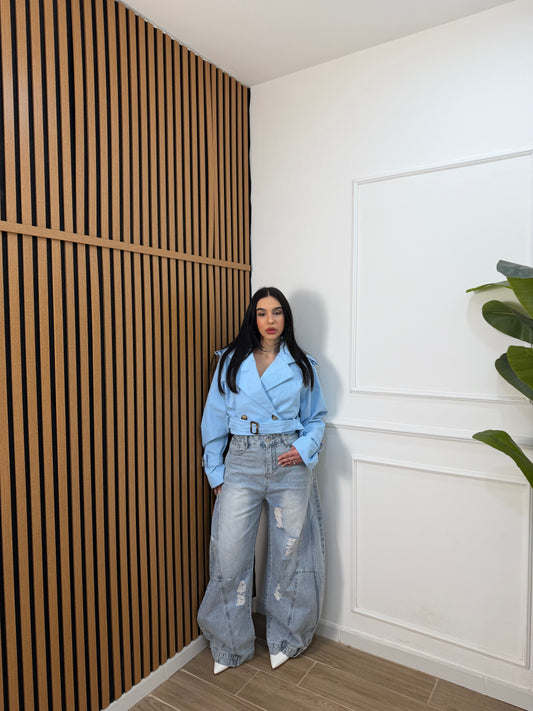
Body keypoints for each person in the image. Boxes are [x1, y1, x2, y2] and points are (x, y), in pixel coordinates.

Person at [197, 286, 327, 674]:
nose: (270, 320)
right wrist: (216, 471)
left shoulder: (302, 365)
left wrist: (304, 449)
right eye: (261, 313)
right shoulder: (230, 361)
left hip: (289, 462)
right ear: (252, 318)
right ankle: (228, 643)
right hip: (242, 459)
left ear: (286, 318)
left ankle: (288, 636)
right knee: (229, 551)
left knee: (291, 550)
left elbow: (316, 419)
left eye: (277, 312)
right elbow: (213, 419)